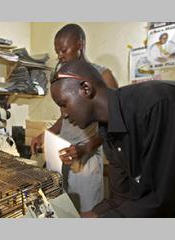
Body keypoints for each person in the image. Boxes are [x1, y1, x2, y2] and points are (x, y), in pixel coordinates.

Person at [50, 58, 175, 217]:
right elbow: (123, 196)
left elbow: (162, 200)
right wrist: (91, 215)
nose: (63, 115)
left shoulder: (156, 105)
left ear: (86, 88)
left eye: (64, 104)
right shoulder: (108, 130)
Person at [31, 23, 118, 213]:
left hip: (86, 157)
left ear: (80, 44)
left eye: (63, 49)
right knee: (64, 211)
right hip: (64, 155)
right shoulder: (65, 78)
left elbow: (115, 124)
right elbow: (65, 117)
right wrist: (44, 135)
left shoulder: (103, 75)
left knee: (86, 211)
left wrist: (86, 147)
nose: (60, 55)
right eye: (57, 52)